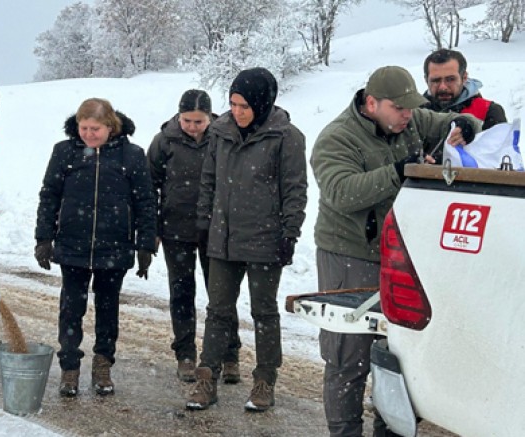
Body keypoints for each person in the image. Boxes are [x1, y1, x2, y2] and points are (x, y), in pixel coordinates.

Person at [311, 66, 479, 436]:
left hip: (403, 253)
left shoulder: (412, 119)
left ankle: (391, 431)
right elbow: (342, 191)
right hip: (349, 254)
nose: (407, 115)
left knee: (399, 356)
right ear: (372, 103)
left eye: (410, 108)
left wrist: (465, 126)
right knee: (348, 356)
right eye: (398, 108)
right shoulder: (336, 138)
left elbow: (464, 119)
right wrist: (399, 171)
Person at [185, 67, 308, 413]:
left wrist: (289, 233)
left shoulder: (286, 137)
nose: (236, 112)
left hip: (265, 240)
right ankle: (206, 378)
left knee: (264, 312)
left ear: (262, 102)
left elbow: (295, 190)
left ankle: (264, 380)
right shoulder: (220, 132)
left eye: (244, 105)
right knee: (218, 312)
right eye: (232, 103)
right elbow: (208, 181)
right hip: (222, 238)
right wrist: (203, 222)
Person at [34, 98, 156, 397]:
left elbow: (145, 203)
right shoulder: (65, 152)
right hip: (73, 244)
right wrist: (43, 238)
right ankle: (70, 368)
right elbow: (49, 195)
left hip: (114, 247)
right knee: (71, 309)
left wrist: (145, 246)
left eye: (95, 128)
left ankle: (103, 365)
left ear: (110, 126)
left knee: (107, 309)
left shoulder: (132, 155)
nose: (88, 134)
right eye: (84, 127)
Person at [147, 89, 241, 384]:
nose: (192, 126)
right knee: (182, 293)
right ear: (179, 116)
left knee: (221, 296)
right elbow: (150, 186)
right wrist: (152, 229)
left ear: (210, 118)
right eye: (187, 120)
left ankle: (229, 354)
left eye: (198, 121)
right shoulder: (164, 141)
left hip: (216, 230)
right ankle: (185, 354)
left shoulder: (223, 137)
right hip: (176, 228)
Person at [422, 49, 507, 131]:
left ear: (464, 77)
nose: (443, 87)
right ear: (426, 80)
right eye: (436, 80)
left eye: (450, 79)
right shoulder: (415, 113)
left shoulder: (488, 111)